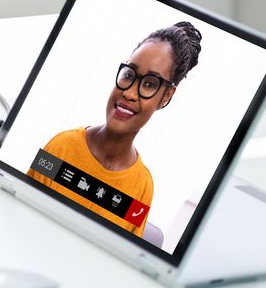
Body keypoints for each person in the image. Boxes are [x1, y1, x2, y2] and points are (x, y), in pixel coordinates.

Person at [28, 22, 203, 238]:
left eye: (149, 84)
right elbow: (21, 212)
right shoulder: (60, 147)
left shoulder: (142, 187)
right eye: (129, 75)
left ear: (166, 96)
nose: (129, 93)